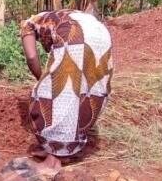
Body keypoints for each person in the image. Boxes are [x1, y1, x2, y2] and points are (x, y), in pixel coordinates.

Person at [20, 9, 114, 170]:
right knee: (88, 91)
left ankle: (53, 160)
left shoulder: (27, 24)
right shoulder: (56, 15)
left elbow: (31, 57)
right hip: (102, 34)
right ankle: (64, 151)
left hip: (73, 31)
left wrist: (41, 79)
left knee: (56, 94)